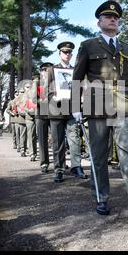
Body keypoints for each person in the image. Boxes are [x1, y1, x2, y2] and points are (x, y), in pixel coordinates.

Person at [71, 0, 128, 215]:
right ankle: (101, 197)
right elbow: (77, 78)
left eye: (116, 17)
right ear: (99, 21)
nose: (113, 19)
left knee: (127, 150)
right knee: (99, 154)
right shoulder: (88, 45)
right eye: (108, 16)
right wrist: (75, 106)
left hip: (123, 104)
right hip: (96, 103)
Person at [47, 41, 87, 183]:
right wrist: (54, 95)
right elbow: (47, 89)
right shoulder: (52, 70)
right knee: (58, 141)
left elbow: (79, 88)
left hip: (72, 108)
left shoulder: (75, 70)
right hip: (56, 108)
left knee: (74, 138)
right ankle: (59, 169)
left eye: (70, 52)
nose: (68, 54)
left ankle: (76, 166)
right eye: (65, 52)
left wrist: (80, 103)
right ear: (59, 54)